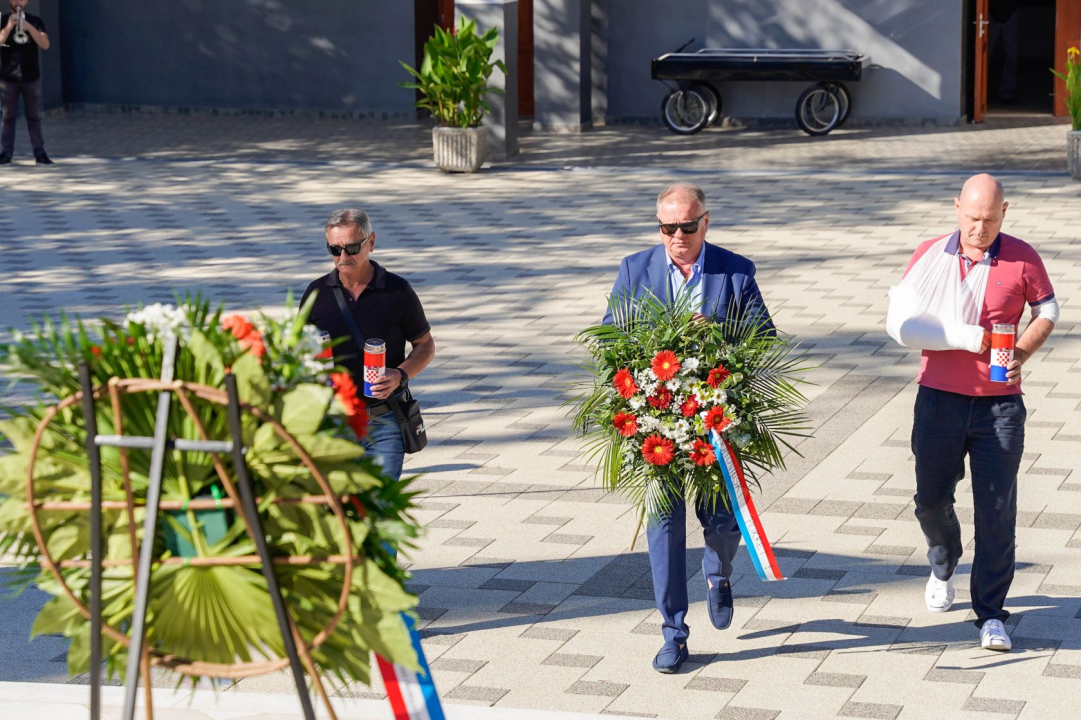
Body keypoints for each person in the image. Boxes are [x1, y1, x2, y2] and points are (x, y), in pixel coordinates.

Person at [603, 182, 773, 674]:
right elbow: (611, 339)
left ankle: (718, 573)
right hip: (657, 423)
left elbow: (764, 341)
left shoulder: (734, 271)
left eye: (686, 225)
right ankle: (673, 632)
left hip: (714, 423)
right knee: (665, 526)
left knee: (721, 522)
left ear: (705, 222)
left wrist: (718, 340)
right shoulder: (635, 269)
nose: (676, 235)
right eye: (666, 227)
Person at [897, 174, 1057, 652]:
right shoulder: (930, 254)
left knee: (997, 511)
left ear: (1004, 212)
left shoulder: (1022, 256)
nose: (979, 228)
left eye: (989, 219)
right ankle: (943, 557)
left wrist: (1023, 353)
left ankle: (990, 614)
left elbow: (1048, 309)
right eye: (971, 218)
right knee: (929, 500)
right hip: (939, 399)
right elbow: (903, 321)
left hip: (1000, 407)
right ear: (957, 209)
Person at [300, 208, 435, 481]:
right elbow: (300, 352)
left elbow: (425, 344)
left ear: (371, 242)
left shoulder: (397, 291)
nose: (343, 257)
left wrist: (400, 374)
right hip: (334, 418)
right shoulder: (317, 293)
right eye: (334, 249)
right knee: (339, 507)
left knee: (380, 505)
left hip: (383, 419)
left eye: (351, 248)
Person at [0, 0, 52, 165]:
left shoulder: (35, 21)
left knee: (34, 116)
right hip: (8, 78)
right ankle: (6, 153)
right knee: (8, 117)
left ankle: (39, 153)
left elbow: (45, 44)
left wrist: (29, 28)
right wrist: (8, 27)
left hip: (31, 77)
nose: (18, 2)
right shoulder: (2, 20)